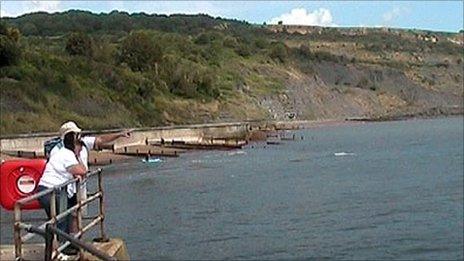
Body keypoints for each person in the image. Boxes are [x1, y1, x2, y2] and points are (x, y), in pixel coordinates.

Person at [37, 121, 131, 254]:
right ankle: (60, 250)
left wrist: (119, 134)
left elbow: (100, 140)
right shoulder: (61, 152)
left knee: (71, 215)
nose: (80, 140)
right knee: (60, 221)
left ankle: (71, 244)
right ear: (70, 137)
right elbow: (81, 170)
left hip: (68, 189)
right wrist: (78, 160)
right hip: (57, 190)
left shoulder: (77, 145)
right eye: (76, 134)